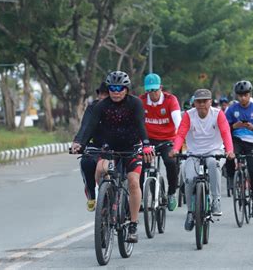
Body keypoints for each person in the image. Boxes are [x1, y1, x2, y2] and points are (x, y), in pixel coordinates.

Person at [73, 71, 155, 244]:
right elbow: (90, 126)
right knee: (100, 169)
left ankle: (133, 224)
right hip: (109, 148)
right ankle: (104, 202)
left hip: (132, 147)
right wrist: (79, 142)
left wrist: (146, 144)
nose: (116, 92)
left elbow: (141, 125)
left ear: (126, 89)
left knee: (133, 181)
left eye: (119, 88)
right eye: (112, 88)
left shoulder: (135, 104)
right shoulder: (101, 106)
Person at [169, 89, 235, 231]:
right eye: (199, 101)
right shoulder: (188, 115)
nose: (202, 104)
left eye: (205, 101)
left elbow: (225, 132)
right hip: (193, 152)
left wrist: (229, 150)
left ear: (210, 102)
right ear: (194, 103)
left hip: (214, 151)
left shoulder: (218, 114)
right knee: (190, 179)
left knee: (213, 163)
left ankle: (216, 200)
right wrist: (175, 149)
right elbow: (181, 134)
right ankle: (190, 212)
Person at [224, 80, 253, 218]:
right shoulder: (231, 109)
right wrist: (234, 127)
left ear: (250, 94)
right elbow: (225, 128)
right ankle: (231, 177)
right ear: (237, 96)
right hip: (237, 140)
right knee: (230, 155)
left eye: (245, 95)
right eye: (240, 95)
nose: (243, 98)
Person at [139, 73, 181, 211]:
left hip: (167, 139)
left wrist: (180, 140)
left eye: (155, 90)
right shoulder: (141, 101)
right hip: (148, 140)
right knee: (141, 165)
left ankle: (171, 193)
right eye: (149, 90)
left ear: (161, 88)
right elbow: (136, 123)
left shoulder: (170, 100)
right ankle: (139, 196)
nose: (152, 94)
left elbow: (177, 121)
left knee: (170, 162)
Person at [72, 82, 109, 212]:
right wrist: (78, 143)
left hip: (116, 147)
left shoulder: (122, 108)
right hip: (97, 146)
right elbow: (85, 127)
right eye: (100, 94)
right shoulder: (92, 107)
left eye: (105, 94)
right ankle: (92, 196)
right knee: (86, 162)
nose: (102, 97)